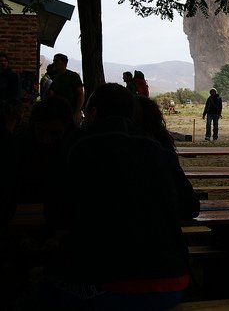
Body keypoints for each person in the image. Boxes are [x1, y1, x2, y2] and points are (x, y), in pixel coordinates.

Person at [42, 83, 199, 310]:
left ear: (94, 112)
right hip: (171, 281)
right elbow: (190, 206)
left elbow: (56, 214)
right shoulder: (156, 147)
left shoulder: (77, 144)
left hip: (107, 283)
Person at [48, 53, 84, 126]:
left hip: (71, 112)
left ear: (64, 62)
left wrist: (78, 111)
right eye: (54, 61)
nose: (54, 63)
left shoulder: (73, 76)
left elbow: (80, 94)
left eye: (56, 61)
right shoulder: (55, 77)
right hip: (57, 113)